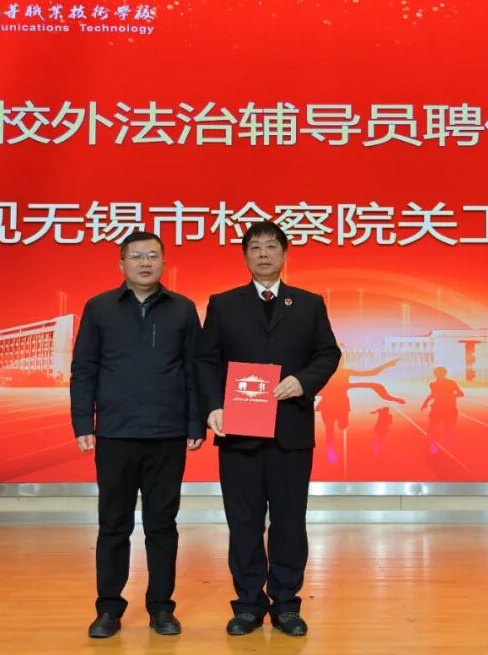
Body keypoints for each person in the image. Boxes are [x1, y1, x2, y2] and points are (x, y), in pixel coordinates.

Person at [196, 221, 341, 638]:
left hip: (289, 431)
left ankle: (286, 605)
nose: (263, 254)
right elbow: (206, 360)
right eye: (255, 247)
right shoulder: (223, 304)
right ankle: (247, 605)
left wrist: (303, 381)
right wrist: (213, 406)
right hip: (238, 431)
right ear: (245, 256)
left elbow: (328, 353)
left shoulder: (308, 304)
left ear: (285, 254)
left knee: (289, 522)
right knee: (243, 522)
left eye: (271, 247)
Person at [69, 231, 204, 639]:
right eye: (136, 256)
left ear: (164, 263)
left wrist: (194, 423)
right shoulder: (99, 308)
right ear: (122, 264)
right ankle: (108, 608)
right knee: (113, 524)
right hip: (116, 434)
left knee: (162, 525)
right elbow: (84, 369)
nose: (145, 263)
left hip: (167, 433)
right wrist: (83, 422)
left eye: (153, 256)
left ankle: (161, 608)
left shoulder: (183, 309)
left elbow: (194, 370)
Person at [420, 366, 464, 455]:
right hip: (445, 408)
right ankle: (443, 444)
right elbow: (461, 394)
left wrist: (425, 403)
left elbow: (433, 395)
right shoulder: (449, 383)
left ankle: (435, 445)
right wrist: (425, 403)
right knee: (444, 427)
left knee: (436, 427)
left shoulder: (435, 384)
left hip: (442, 408)